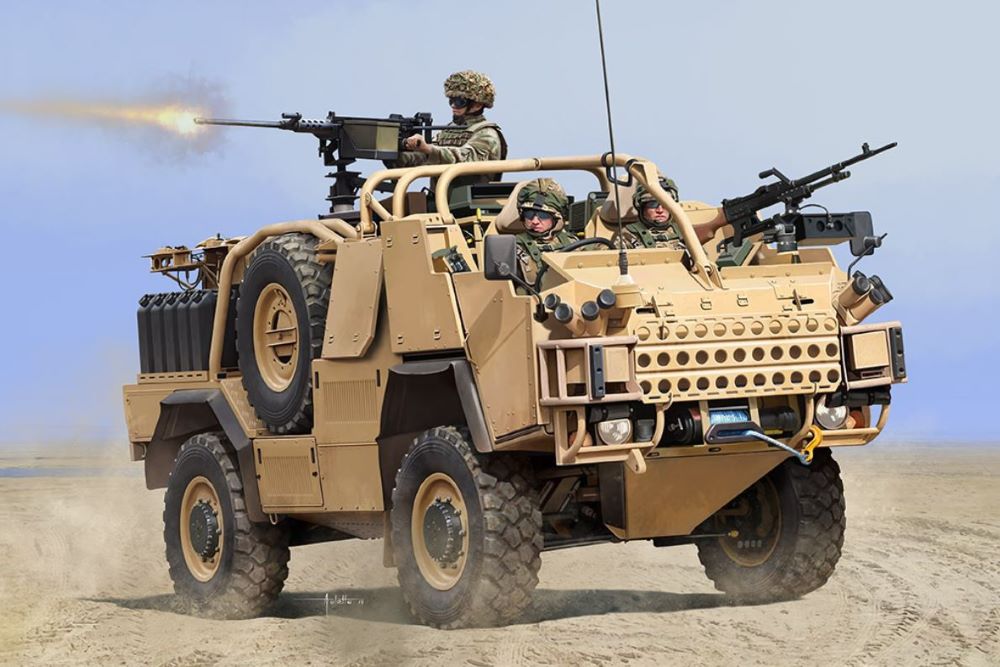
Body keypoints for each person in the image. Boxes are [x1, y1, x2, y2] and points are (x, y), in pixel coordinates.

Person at [394, 70, 507, 174]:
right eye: (451, 100)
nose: (453, 105)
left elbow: (467, 160)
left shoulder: (487, 133)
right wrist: (396, 153)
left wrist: (428, 149)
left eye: (459, 101)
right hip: (441, 190)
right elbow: (423, 158)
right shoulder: (448, 130)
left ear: (477, 105)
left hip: (468, 189)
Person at [510, 179, 577, 285]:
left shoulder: (573, 243)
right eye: (529, 214)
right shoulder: (513, 247)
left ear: (556, 218)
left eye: (543, 215)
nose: (535, 221)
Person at [614, 176, 684, 250]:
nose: (660, 210)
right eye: (652, 204)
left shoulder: (684, 231)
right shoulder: (629, 235)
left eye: (665, 204)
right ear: (642, 208)